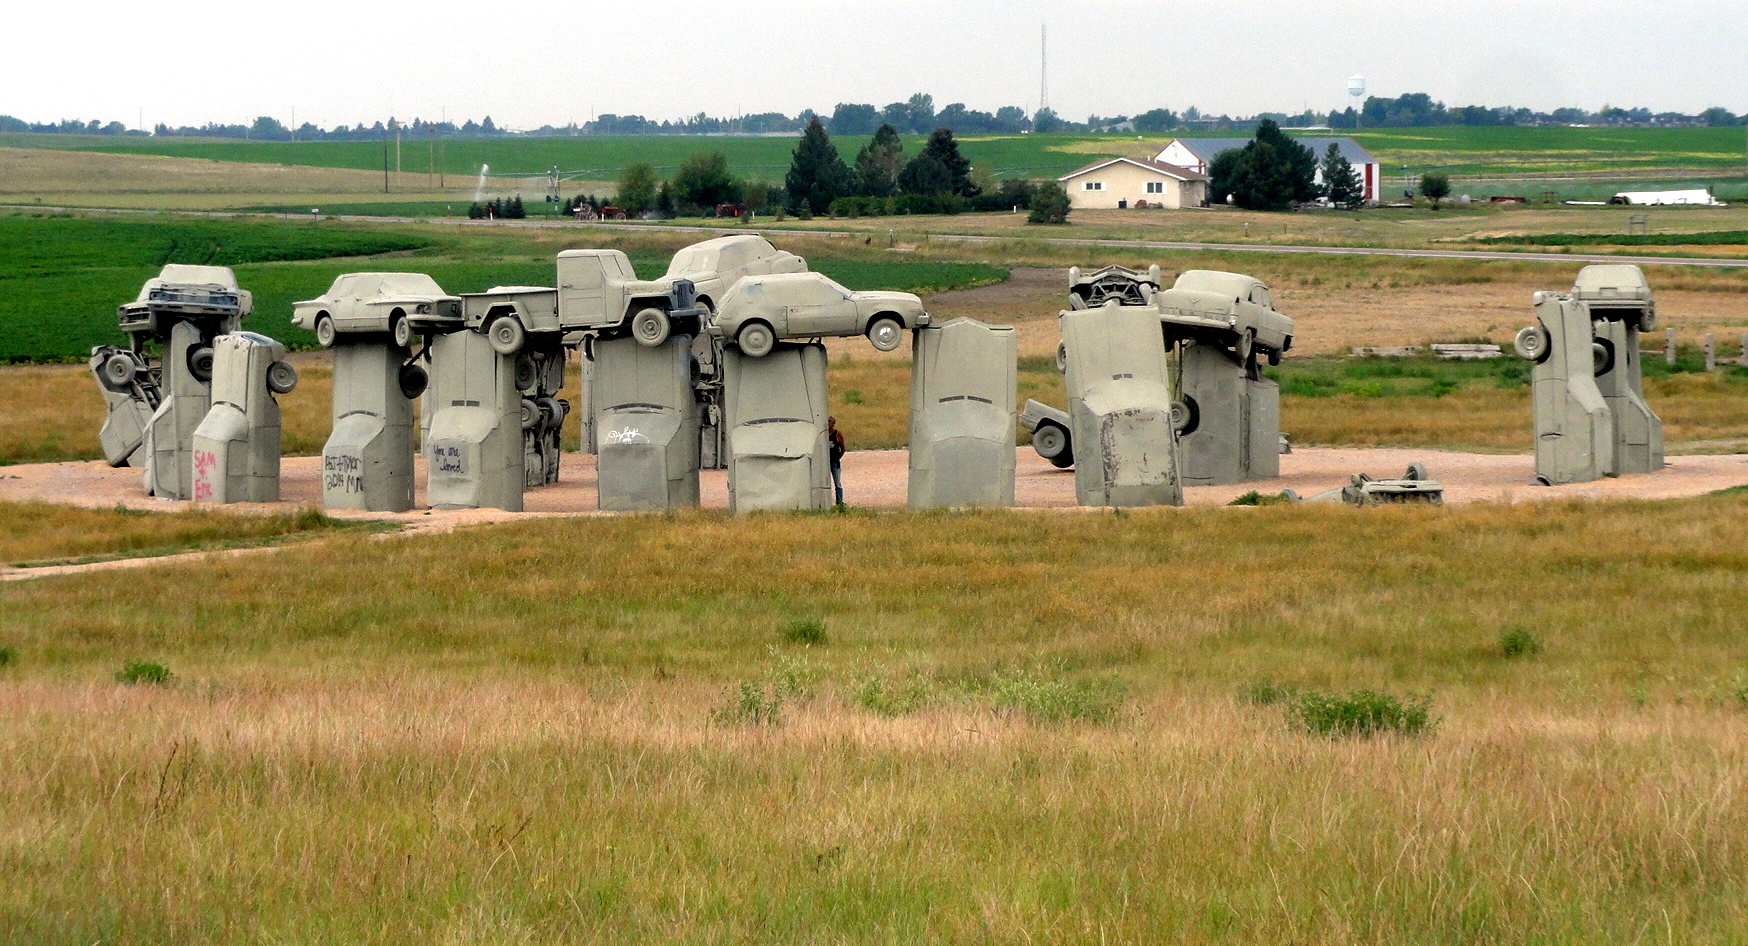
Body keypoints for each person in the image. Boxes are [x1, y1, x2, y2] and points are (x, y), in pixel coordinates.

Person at [827, 416, 846, 505]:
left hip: (834, 462)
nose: (828, 423)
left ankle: (839, 501)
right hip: (825, 462)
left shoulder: (837, 434)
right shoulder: (823, 434)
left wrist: (838, 457)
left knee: (837, 483)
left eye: (830, 421)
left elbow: (842, 448)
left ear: (833, 424)